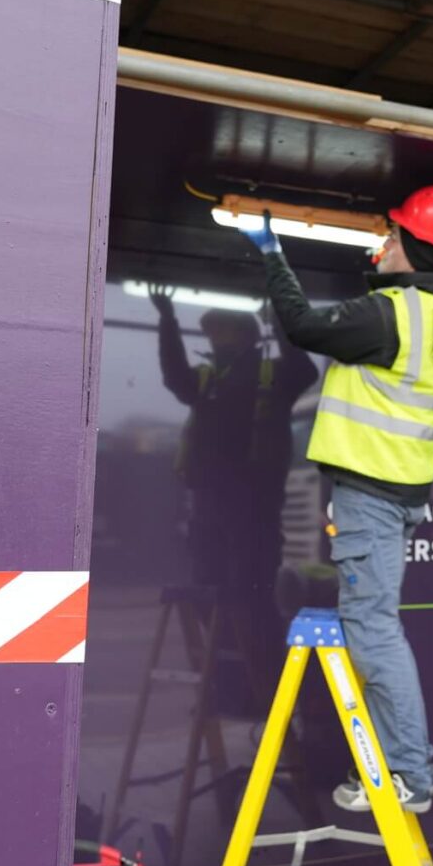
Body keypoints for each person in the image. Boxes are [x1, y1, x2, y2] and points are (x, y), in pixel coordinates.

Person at [237, 186, 433, 814]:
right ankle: (386, 762)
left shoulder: (390, 314)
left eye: (394, 236)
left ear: (420, 247)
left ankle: (408, 773)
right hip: (395, 487)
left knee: (373, 632)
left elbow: (303, 325)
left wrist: (273, 255)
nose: (384, 243)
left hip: (372, 492)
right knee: (373, 627)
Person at [150, 288, 317, 709]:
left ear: (245, 335)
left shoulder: (272, 375)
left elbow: (305, 370)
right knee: (213, 596)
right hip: (210, 511)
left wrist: (277, 320)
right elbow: (174, 376)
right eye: (211, 334)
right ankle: (230, 688)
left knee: (251, 600)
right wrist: (167, 319)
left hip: (253, 512)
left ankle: (268, 696)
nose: (215, 341)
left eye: (222, 332)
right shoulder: (206, 382)